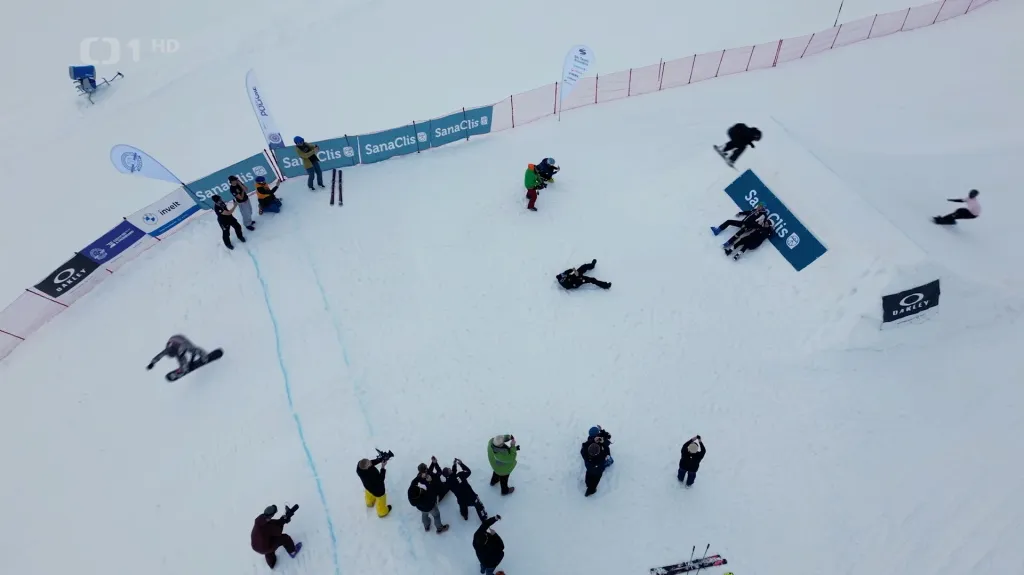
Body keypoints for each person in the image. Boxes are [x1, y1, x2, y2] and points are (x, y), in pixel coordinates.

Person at [250, 504, 301, 569]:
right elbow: (278, 532)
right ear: (271, 515)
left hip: (255, 544)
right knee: (285, 538)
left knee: (267, 546)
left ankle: (271, 563)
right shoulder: (268, 528)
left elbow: (272, 523)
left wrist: (282, 520)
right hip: (264, 547)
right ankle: (293, 551)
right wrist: (283, 522)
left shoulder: (260, 520)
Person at [407, 460, 450, 533]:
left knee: (424, 515)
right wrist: (429, 482)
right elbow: (432, 492)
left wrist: (419, 477)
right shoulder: (425, 495)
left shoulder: (412, 495)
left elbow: (413, 483)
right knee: (436, 515)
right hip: (430, 506)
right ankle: (439, 528)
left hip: (421, 508)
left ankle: (426, 526)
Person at [442, 457, 488, 522]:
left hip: (461, 500)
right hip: (471, 497)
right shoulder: (460, 475)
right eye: (449, 470)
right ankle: (484, 518)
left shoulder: (448, 483)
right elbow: (468, 471)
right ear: (449, 473)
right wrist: (461, 464)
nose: (450, 469)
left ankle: (464, 515)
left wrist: (454, 465)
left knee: (463, 506)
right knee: (479, 506)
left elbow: (452, 476)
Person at [581, 426, 613, 497]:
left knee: (589, 475)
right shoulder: (601, 455)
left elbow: (584, 446)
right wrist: (604, 442)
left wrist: (592, 440)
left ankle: (588, 484)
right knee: (596, 479)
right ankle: (592, 489)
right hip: (598, 469)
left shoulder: (585, 453)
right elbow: (607, 451)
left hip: (589, 467)